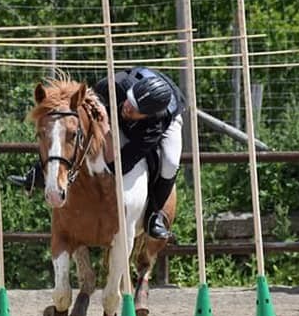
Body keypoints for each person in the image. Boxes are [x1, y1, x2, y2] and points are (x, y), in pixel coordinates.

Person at [10, 67, 185, 239]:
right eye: (130, 101)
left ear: (147, 115)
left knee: (170, 162)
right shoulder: (110, 87)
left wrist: (107, 138)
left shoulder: (153, 126)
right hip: (133, 88)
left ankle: (154, 214)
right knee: (62, 128)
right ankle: (38, 171)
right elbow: (71, 122)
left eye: (135, 109)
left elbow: (121, 165)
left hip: (170, 114)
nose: (128, 108)